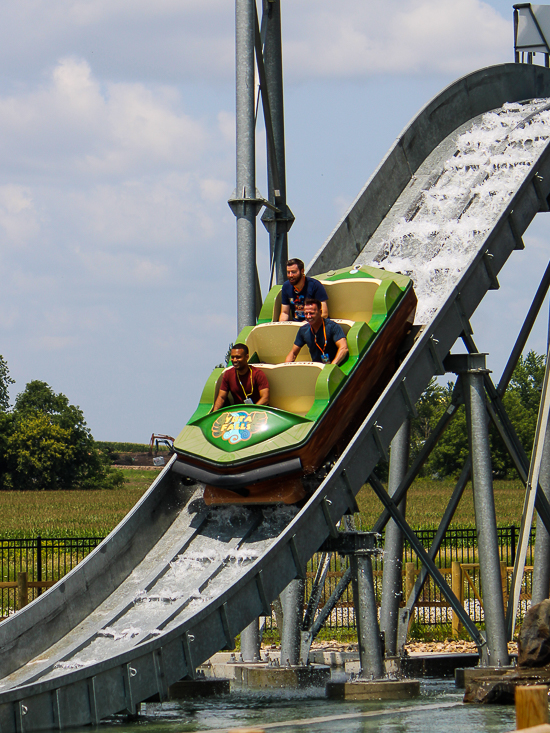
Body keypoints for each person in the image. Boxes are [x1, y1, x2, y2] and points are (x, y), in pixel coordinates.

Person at [285, 299, 348, 366]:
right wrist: (286, 367)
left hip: (337, 366)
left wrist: (331, 367)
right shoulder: (303, 330)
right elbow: (293, 353)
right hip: (317, 368)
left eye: (312, 313)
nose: (308, 316)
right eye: (306, 314)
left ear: (320, 312)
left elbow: (344, 348)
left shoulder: (332, 327)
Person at [213, 343, 269, 410]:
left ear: (247, 357)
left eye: (238, 357)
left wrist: (251, 411)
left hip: (259, 413)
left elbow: (265, 398)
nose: (235, 360)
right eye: (232, 357)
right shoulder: (228, 374)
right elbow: (221, 397)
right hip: (238, 415)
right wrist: (214, 414)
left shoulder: (257, 374)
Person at [279, 258, 328, 322]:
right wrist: (282, 326)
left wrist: (306, 324)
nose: (290, 275)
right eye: (288, 272)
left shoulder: (315, 285)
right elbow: (284, 313)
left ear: (302, 271)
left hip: (314, 325)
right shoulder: (286, 286)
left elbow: (324, 314)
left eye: (294, 272)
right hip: (296, 325)